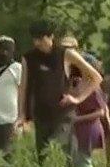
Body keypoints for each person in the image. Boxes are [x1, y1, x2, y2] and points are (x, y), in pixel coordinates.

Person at [18, 21, 102, 159]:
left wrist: (78, 99)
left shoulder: (65, 54)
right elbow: (24, 87)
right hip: (41, 115)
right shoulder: (29, 58)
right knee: (43, 157)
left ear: (50, 36)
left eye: (41, 39)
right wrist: (22, 114)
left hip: (63, 114)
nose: (37, 43)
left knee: (57, 152)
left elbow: (96, 77)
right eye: (35, 39)